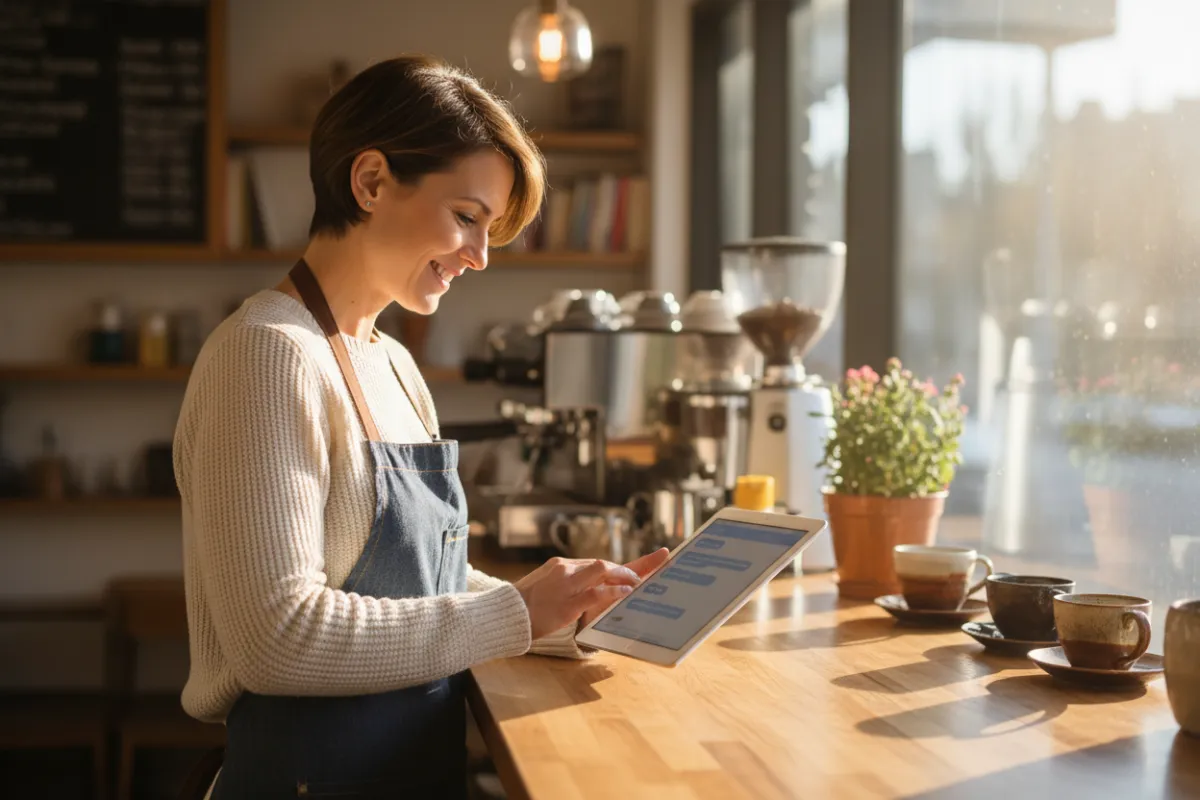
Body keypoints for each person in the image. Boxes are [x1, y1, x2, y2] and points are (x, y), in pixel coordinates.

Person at [173, 55, 669, 799]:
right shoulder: (267, 355)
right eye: (467, 217)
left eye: (490, 230)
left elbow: (427, 585)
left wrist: (566, 613)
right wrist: (516, 612)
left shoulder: (395, 363)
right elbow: (276, 642)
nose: (479, 256)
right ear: (370, 182)